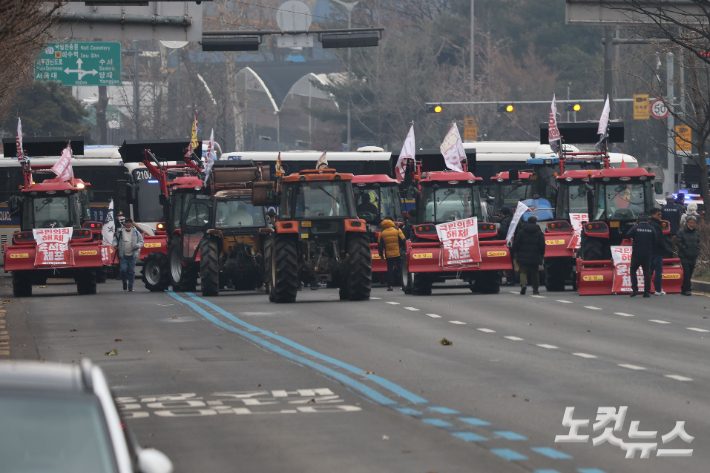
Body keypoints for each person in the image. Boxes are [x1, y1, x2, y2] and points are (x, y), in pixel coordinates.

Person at [625, 213, 657, 298]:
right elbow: (655, 240)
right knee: (646, 272)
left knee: (633, 270)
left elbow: (627, 235)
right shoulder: (651, 228)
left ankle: (635, 289)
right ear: (648, 220)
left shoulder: (636, 228)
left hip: (636, 254)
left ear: (638, 220)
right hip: (647, 254)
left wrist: (634, 226)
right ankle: (646, 291)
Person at [512, 216, 545, 295]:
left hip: (523, 255)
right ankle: (535, 289)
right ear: (535, 222)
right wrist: (541, 254)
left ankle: (523, 284)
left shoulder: (521, 232)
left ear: (527, 222)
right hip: (535, 256)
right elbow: (542, 245)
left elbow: (516, 243)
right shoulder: (539, 233)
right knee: (535, 272)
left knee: (523, 271)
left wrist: (515, 252)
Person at [113, 218, 144, 292]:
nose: (128, 224)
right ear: (124, 224)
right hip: (123, 255)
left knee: (131, 271)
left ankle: (130, 286)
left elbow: (141, 241)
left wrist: (137, 245)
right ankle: (124, 282)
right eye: (126, 223)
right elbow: (114, 240)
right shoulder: (120, 232)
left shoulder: (136, 232)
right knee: (123, 270)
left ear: (131, 224)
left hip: (132, 255)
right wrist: (115, 246)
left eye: (129, 223)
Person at [378, 219, 406, 291]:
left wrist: (381, 255)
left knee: (389, 269)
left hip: (389, 254)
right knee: (401, 269)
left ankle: (390, 286)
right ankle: (403, 285)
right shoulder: (397, 230)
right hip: (398, 253)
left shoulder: (381, 233)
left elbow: (380, 245)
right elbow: (403, 240)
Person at [677, 216, 700, 296]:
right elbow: (679, 242)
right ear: (686, 223)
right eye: (690, 222)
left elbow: (698, 243)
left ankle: (683, 288)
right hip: (684, 255)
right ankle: (687, 289)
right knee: (686, 272)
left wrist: (697, 251)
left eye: (693, 223)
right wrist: (685, 250)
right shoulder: (681, 232)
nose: (692, 224)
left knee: (690, 273)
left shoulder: (696, 232)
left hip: (693, 256)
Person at [648, 208, 668, 296]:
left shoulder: (650, 224)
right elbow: (659, 239)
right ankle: (658, 289)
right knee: (658, 271)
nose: (660, 216)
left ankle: (647, 288)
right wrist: (664, 247)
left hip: (650, 251)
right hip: (657, 251)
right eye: (658, 214)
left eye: (661, 214)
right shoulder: (656, 225)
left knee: (650, 271)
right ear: (653, 214)